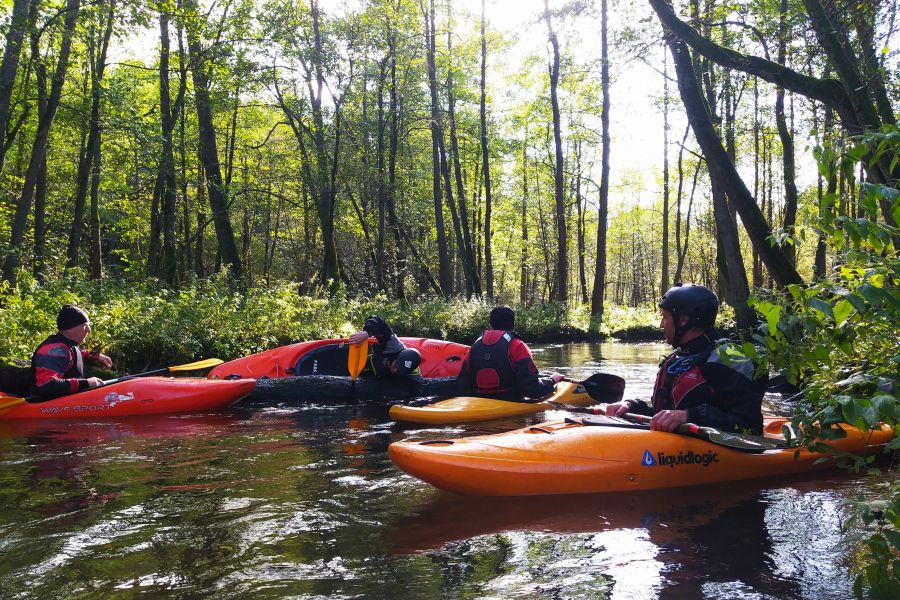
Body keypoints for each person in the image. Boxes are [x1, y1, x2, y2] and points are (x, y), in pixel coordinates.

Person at [605, 283, 766, 434]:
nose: (662, 324)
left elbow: (749, 426)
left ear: (683, 320)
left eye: (665, 318)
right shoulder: (676, 359)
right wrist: (631, 406)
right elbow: (664, 415)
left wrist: (690, 416)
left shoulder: (732, 360)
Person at [455, 305, 563, 401]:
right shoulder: (518, 346)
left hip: (479, 402)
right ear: (513, 325)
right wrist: (552, 380)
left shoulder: (474, 347)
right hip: (510, 400)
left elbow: (462, 386)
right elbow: (532, 390)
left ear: (490, 324)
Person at [31, 304, 114, 400]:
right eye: (84, 326)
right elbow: (47, 386)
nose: (89, 330)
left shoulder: (65, 346)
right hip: (49, 408)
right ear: (69, 329)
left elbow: (73, 354)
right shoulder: (55, 350)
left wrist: (94, 355)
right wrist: (86, 383)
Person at [348, 315, 421, 378]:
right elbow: (378, 321)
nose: (394, 370)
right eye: (396, 366)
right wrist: (367, 332)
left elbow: (420, 385)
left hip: (366, 376)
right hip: (357, 356)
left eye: (399, 371)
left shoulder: (411, 369)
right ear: (398, 356)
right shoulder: (393, 346)